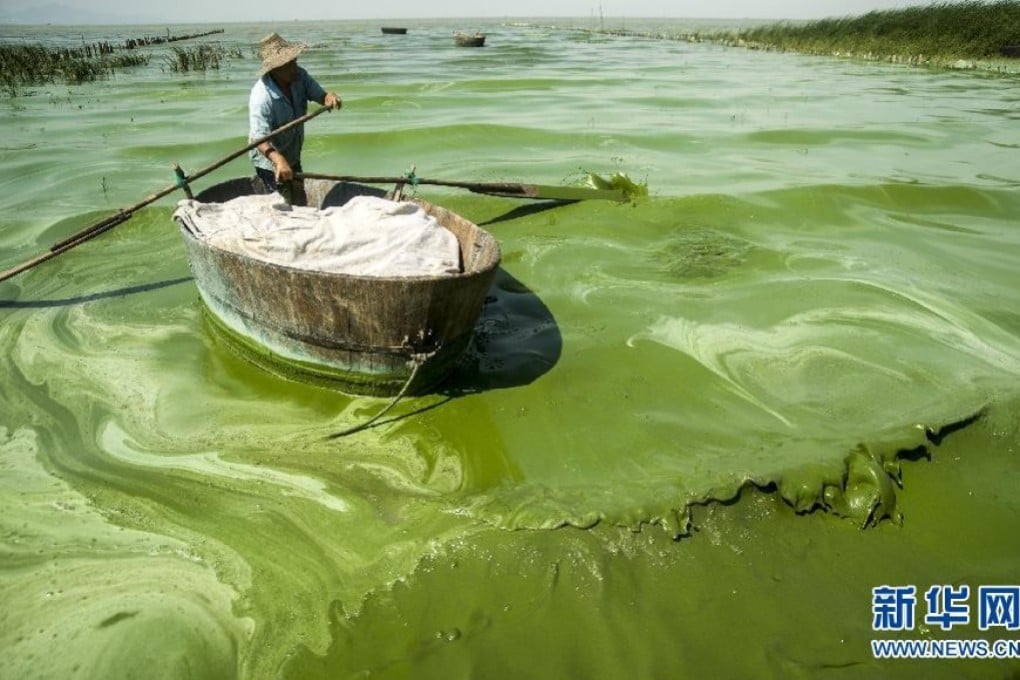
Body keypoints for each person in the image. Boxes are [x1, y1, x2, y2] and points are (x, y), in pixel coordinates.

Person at [249, 32, 341, 192]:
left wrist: (330, 97)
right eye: (289, 64)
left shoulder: (300, 76)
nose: (295, 67)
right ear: (275, 69)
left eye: (294, 61)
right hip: (269, 161)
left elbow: (321, 96)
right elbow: (259, 140)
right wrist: (278, 160)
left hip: (292, 154)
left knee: (299, 198)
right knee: (280, 205)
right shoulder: (262, 97)